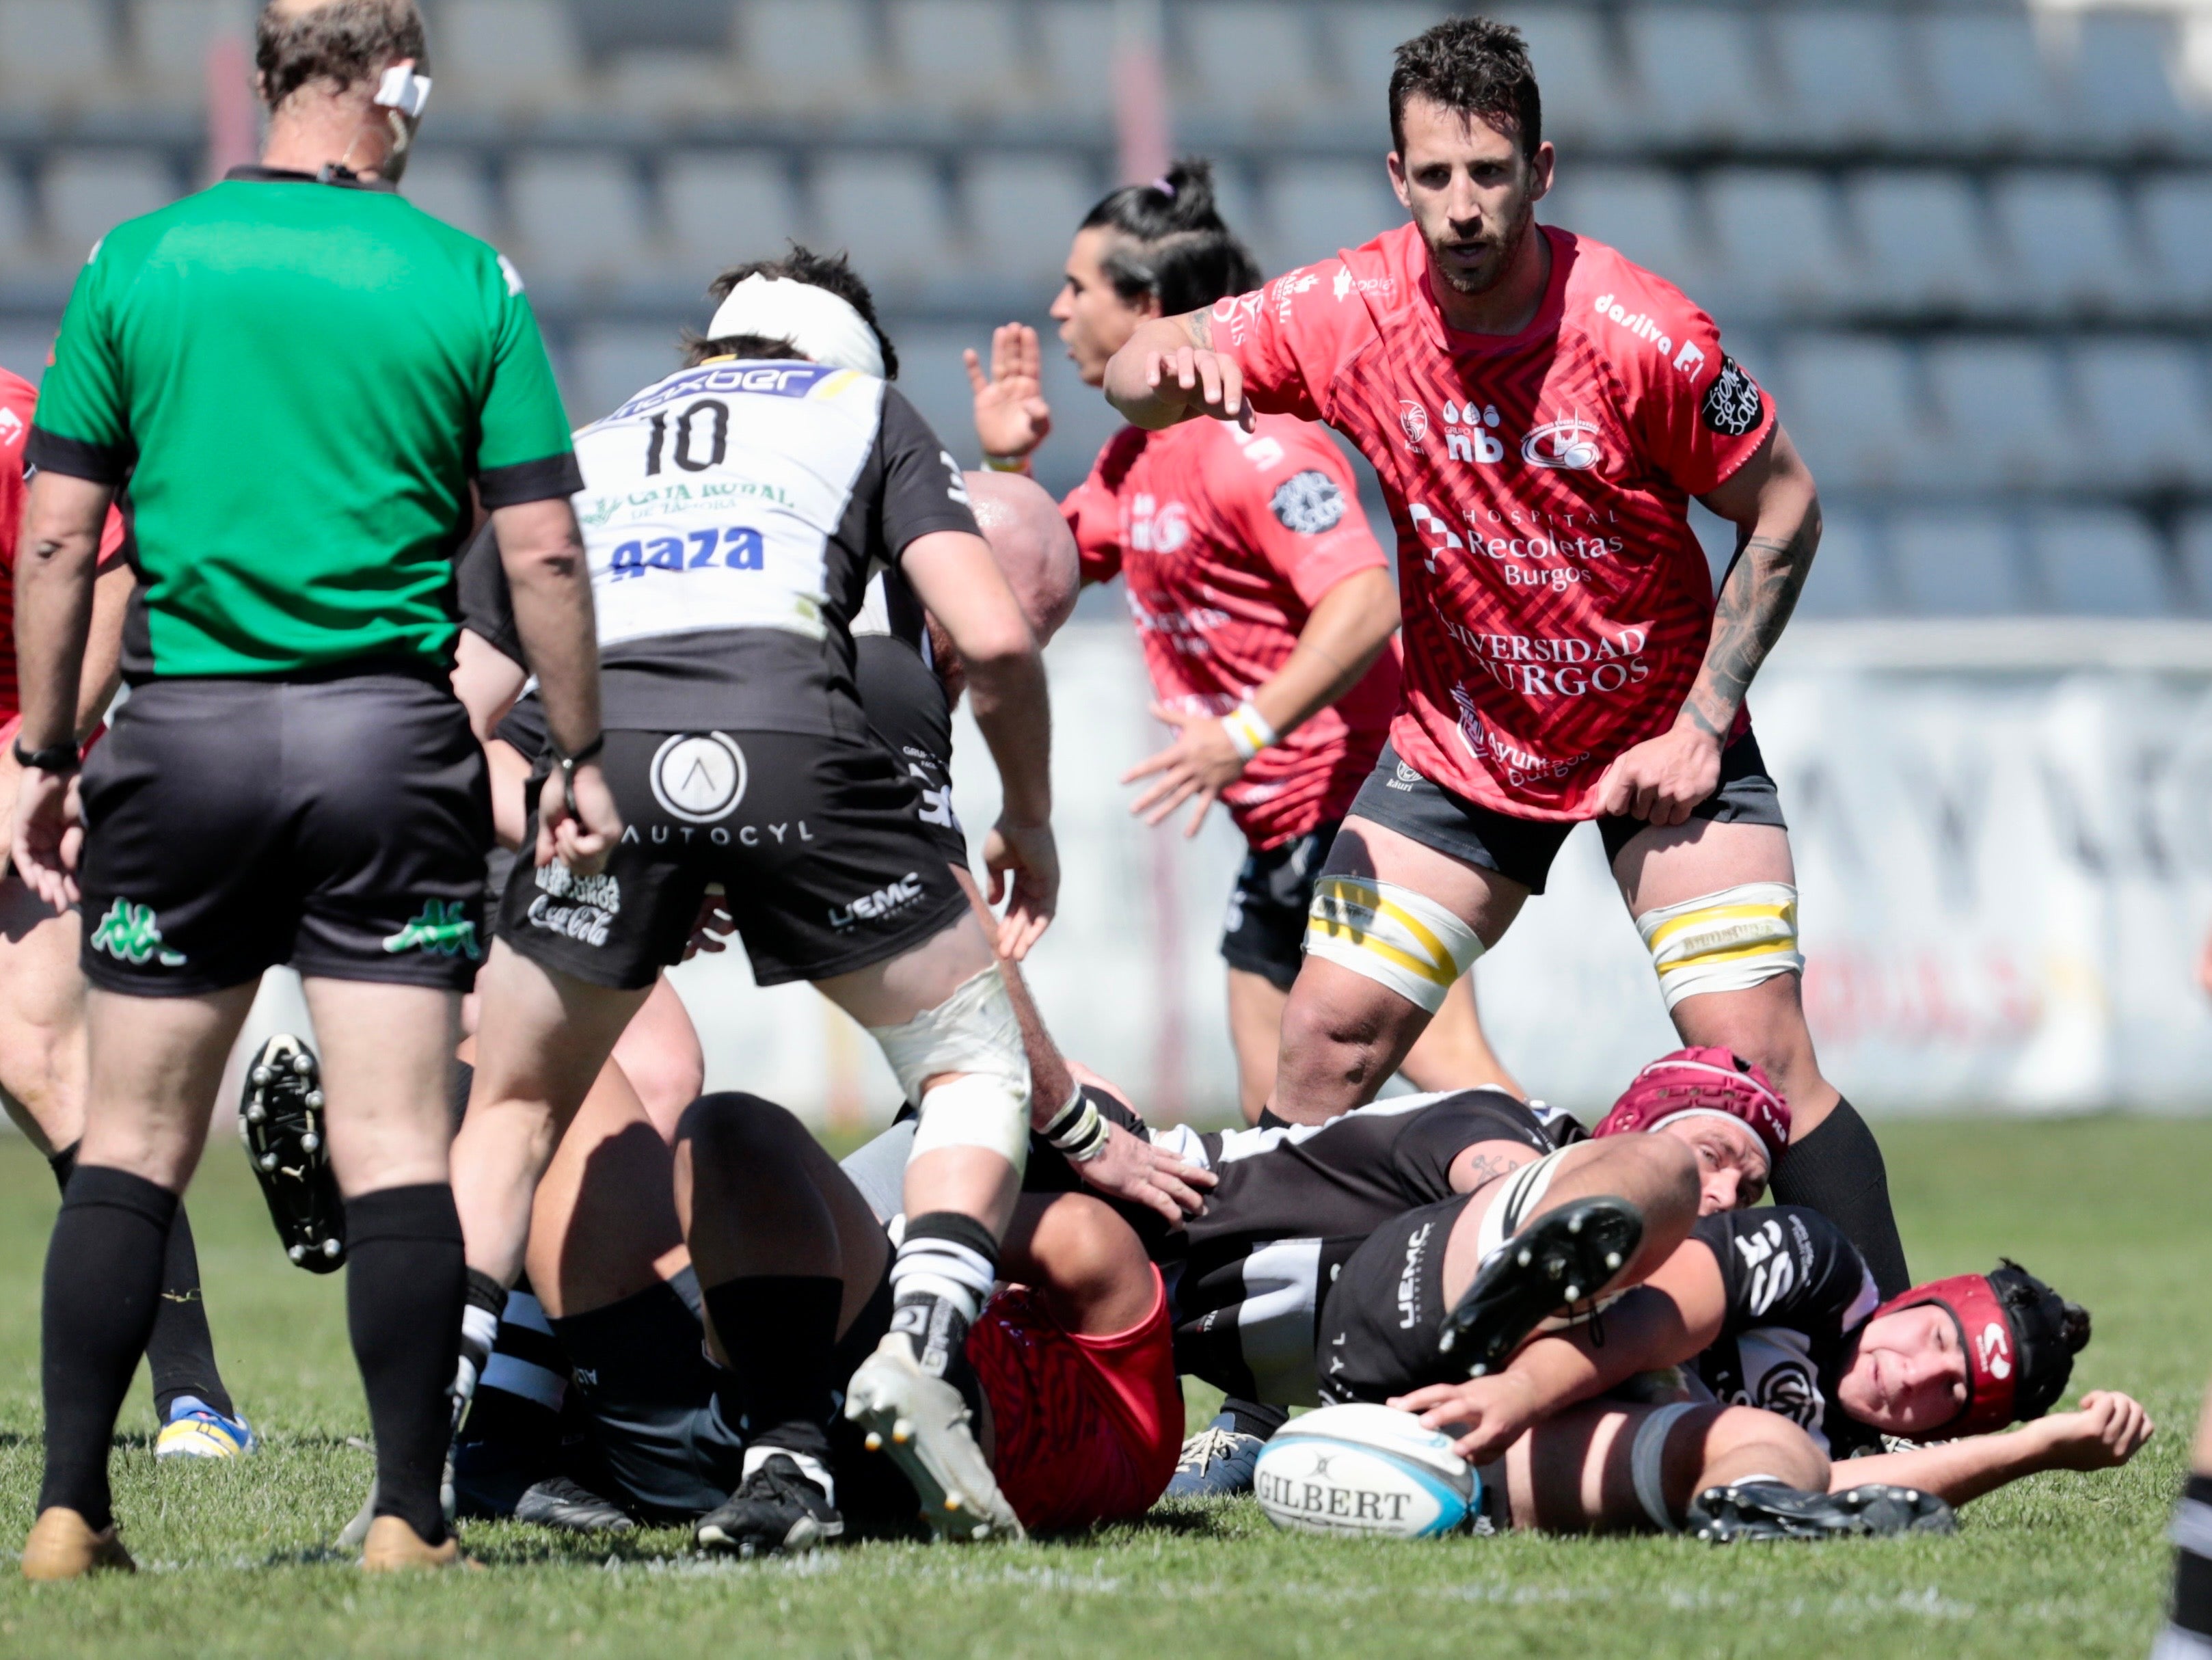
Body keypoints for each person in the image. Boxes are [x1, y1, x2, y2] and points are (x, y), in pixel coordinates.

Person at [1098, 16, 1911, 1302]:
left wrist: (1704, 719)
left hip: (1656, 728)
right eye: (1435, 176)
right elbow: (1141, 368)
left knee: (1760, 1061)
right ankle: (1262, 1409)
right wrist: (1165, 368)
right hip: (1460, 748)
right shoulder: (1347, 306)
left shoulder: (1645, 334)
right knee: (1319, 1050)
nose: (1463, 207)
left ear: (1543, 170)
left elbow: (1786, 508)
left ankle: (1876, 1359)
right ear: (1395, 176)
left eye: (1490, 174)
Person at [13, 0, 614, 1577]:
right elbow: (543, 544)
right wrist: (578, 748)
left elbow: (64, 539)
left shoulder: (134, 261)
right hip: (385, 744)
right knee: (398, 1136)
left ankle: (72, 1507)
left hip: (184, 735)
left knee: (136, 1135)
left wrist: (42, 754)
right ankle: (409, 1518)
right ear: (396, 87)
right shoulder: (462, 275)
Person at [451, 246, 1064, 1544]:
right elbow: (997, 636)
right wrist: (1031, 817)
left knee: (515, 1105)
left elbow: (451, 723)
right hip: (797, 732)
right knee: (970, 1063)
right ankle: (915, 1345)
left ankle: (422, 1454)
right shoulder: (862, 421)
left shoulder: (599, 438)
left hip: (604, 763)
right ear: (850, 364)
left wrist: (572, 809)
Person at [970, 158, 1520, 1127]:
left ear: (1145, 306)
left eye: (1077, 287)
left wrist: (1244, 733)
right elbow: (1017, 591)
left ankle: (1592, 1233)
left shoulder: (1254, 440)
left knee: (1457, 1075)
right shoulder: (1135, 457)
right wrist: (1008, 463)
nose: (1056, 312)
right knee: (1275, 1125)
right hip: (1278, 837)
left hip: (1363, 814)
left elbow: (1362, 600)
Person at [453, 1078, 1184, 1550]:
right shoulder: (1073, 1339)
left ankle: (506, 1430)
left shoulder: (1101, 1261)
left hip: (866, 1448)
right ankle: (505, 1434)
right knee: (551, 1071)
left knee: (730, 1128)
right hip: (692, 1448)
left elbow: (1061, 1233)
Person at [0, 365, 251, 1460]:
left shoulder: (9, 427)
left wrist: (37, 756)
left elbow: (102, 570)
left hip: (20, 747)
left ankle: (193, 1395)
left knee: (41, 1060)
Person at [1364, 1201, 2149, 1537]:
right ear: (1913, 1299)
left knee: (1775, 1454)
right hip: (1461, 1348)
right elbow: (1655, 1316)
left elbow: (1822, 1487)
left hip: (1459, 1454)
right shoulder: (1819, 1266)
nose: (1911, 1377)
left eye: (1949, 1394)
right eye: (1931, 1339)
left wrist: (2038, 1447)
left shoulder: (1867, 1460)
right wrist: (1521, 1387)